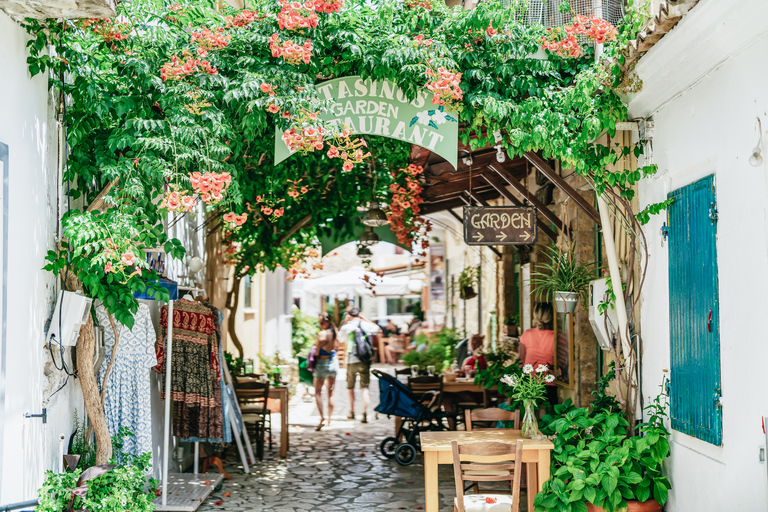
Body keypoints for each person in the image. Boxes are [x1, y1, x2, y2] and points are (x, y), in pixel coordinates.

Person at [339, 307, 380, 423]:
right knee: (365, 387)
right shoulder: (366, 325)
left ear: (349, 315)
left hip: (352, 360)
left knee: (350, 387)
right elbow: (377, 329)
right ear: (359, 315)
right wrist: (365, 319)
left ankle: (352, 411)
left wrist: (345, 322)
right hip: (365, 360)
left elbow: (340, 338)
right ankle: (365, 411)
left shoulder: (347, 327)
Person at [519, 302, 557, 406]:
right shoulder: (556, 337)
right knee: (549, 417)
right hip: (549, 382)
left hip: (529, 382)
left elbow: (521, 361)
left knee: (530, 415)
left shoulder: (527, 334)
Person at [313, 313, 339, 430]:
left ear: (324, 323)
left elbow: (317, 353)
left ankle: (322, 417)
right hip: (333, 363)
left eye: (321, 323)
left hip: (322, 364)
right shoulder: (335, 333)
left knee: (318, 392)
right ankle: (330, 419)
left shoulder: (322, 334)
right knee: (331, 392)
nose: (321, 325)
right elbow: (337, 348)